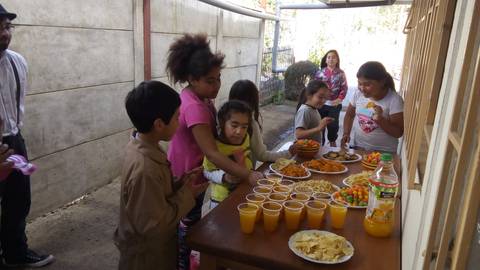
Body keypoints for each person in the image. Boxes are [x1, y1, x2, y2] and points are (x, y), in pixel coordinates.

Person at [165, 33, 264, 270]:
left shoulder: (201, 98)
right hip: (189, 177)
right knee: (189, 228)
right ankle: (184, 265)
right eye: (210, 80)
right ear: (192, 78)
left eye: (218, 78)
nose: (217, 85)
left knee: (194, 222)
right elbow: (212, 153)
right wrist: (247, 175)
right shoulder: (195, 107)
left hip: (201, 174)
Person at [114, 81, 208, 270]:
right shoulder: (145, 170)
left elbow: (154, 197)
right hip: (146, 259)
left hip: (156, 251)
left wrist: (179, 184)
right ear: (158, 124)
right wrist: (187, 195)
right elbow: (154, 225)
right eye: (176, 117)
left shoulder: (145, 146)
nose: (179, 121)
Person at [0, 5, 54, 267]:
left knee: (18, 200)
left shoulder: (17, 62)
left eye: (6, 26)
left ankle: (16, 254)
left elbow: (15, 104)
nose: (4, 33)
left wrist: (15, 139)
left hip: (13, 139)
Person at [228, 80, 297, 167]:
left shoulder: (225, 120)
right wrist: (288, 153)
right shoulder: (251, 124)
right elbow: (262, 155)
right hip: (245, 175)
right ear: (253, 101)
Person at [341, 61, 404, 153]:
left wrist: (380, 120)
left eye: (367, 84)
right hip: (359, 148)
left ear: (382, 82)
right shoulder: (358, 94)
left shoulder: (394, 100)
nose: (362, 88)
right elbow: (349, 115)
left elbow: (398, 132)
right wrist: (346, 133)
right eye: (360, 83)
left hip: (384, 153)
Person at [202, 100, 253, 212]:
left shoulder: (246, 138)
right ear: (222, 123)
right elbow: (206, 171)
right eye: (234, 125)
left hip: (244, 192)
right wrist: (224, 177)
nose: (239, 131)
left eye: (244, 127)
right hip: (221, 200)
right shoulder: (214, 147)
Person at [315, 50, 348, 147]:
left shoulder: (341, 73)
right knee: (320, 125)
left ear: (337, 60)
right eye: (329, 57)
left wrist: (339, 99)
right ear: (326, 60)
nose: (331, 59)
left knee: (333, 125)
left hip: (334, 104)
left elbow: (344, 88)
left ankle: (332, 142)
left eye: (333, 57)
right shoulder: (320, 73)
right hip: (321, 104)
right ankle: (320, 144)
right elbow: (315, 87)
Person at [295, 80, 333, 145]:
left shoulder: (313, 109)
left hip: (312, 151)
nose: (323, 101)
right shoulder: (304, 111)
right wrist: (318, 128)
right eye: (320, 97)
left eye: (325, 98)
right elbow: (299, 134)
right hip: (305, 152)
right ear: (309, 95)